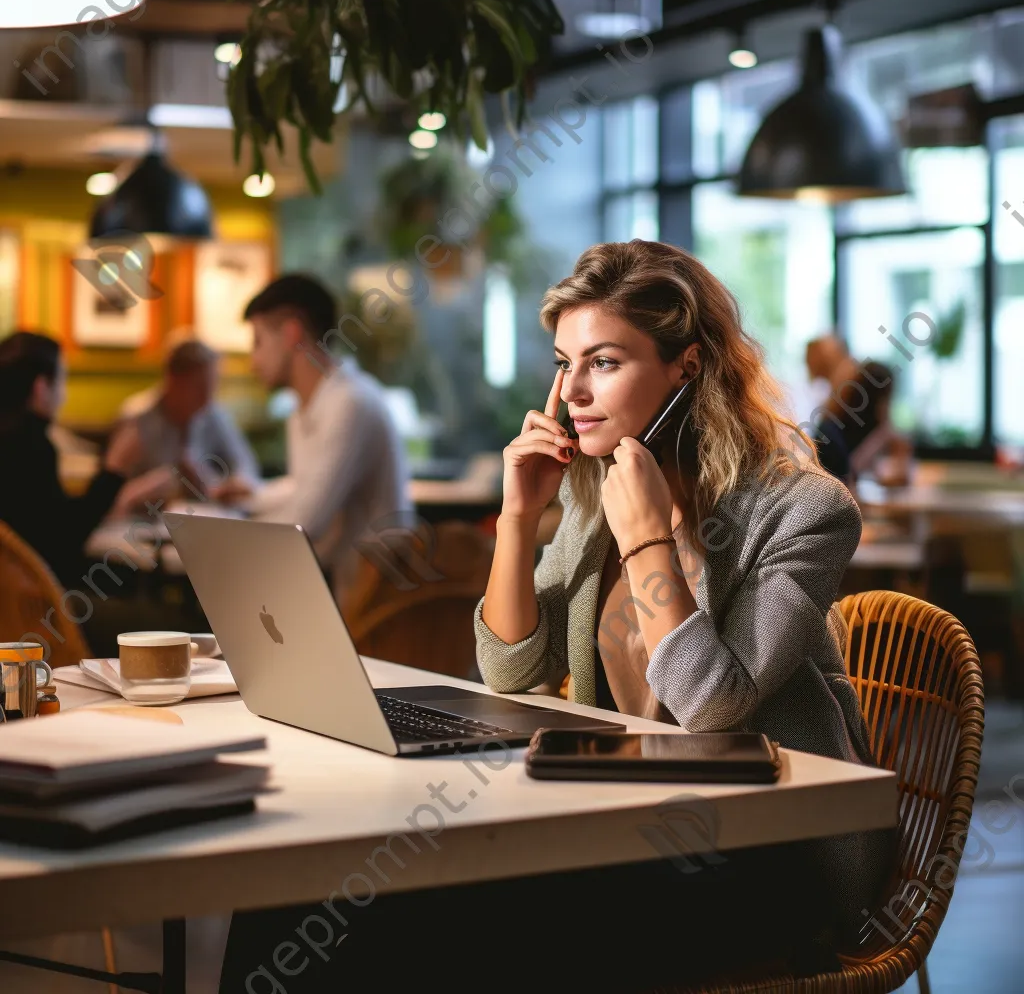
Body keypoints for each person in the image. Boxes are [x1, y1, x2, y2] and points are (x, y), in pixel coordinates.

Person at [216, 244, 896, 993]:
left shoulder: (802, 510)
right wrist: (518, 515)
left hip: (767, 857)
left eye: (603, 361)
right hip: (620, 825)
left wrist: (647, 538)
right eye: (563, 362)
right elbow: (508, 669)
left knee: (427, 923)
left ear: (687, 367)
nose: (571, 389)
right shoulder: (592, 493)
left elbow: (713, 707)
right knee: (294, 893)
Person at [230, 273, 412, 606]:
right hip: (343, 589)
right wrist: (250, 496)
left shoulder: (349, 402)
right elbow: (306, 486)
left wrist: (218, 539)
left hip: (380, 606)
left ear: (291, 333)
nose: (252, 360)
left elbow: (306, 520)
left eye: (257, 341)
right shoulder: (307, 404)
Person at [0, 331, 142, 589]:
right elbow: (63, 543)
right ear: (41, 388)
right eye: (62, 381)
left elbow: (49, 521)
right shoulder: (30, 445)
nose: (63, 396)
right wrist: (114, 469)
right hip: (38, 607)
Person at [113, 332, 260, 512]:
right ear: (173, 379)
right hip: (146, 524)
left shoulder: (213, 413)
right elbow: (114, 495)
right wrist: (144, 490)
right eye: (199, 387)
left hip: (204, 520)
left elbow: (245, 466)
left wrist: (236, 484)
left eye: (212, 386)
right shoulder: (136, 419)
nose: (207, 397)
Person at [813, 360, 913, 487]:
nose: (888, 406)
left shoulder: (845, 426)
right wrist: (882, 436)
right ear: (877, 398)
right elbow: (848, 477)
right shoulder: (830, 433)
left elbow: (894, 476)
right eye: (887, 398)